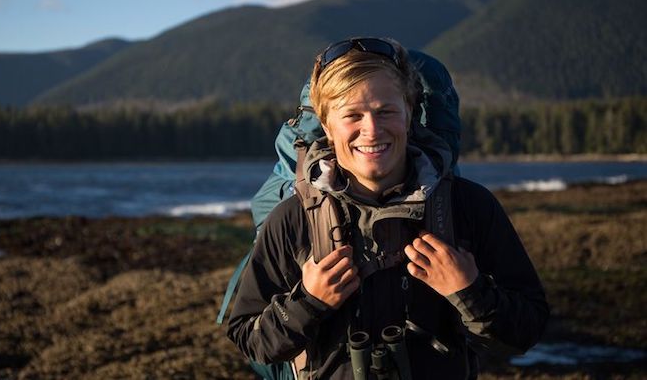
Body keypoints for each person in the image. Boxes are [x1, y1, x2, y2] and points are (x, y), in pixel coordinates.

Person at [227, 37, 548, 379]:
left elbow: (527, 330)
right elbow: (251, 340)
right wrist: (307, 302)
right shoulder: (293, 219)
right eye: (353, 115)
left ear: (409, 113)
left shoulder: (469, 207)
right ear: (326, 125)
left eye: (386, 111)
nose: (372, 130)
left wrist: (469, 291)